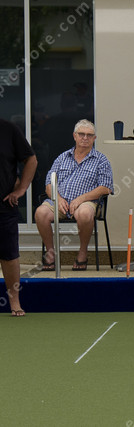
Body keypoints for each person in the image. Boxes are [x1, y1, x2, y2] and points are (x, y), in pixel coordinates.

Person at [35, 119, 113, 271]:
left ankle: (83, 253)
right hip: (60, 201)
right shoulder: (62, 157)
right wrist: (58, 199)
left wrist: (81, 199)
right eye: (81, 134)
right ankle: (50, 254)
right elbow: (49, 183)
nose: (85, 138)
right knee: (40, 213)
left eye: (89, 135)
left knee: (84, 214)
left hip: (87, 202)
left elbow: (106, 187)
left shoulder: (101, 160)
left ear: (94, 138)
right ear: (74, 136)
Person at [0, 119, 37, 317]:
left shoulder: (8, 129)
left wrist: (22, 189)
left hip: (4, 204)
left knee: (9, 255)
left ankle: (14, 301)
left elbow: (31, 160)